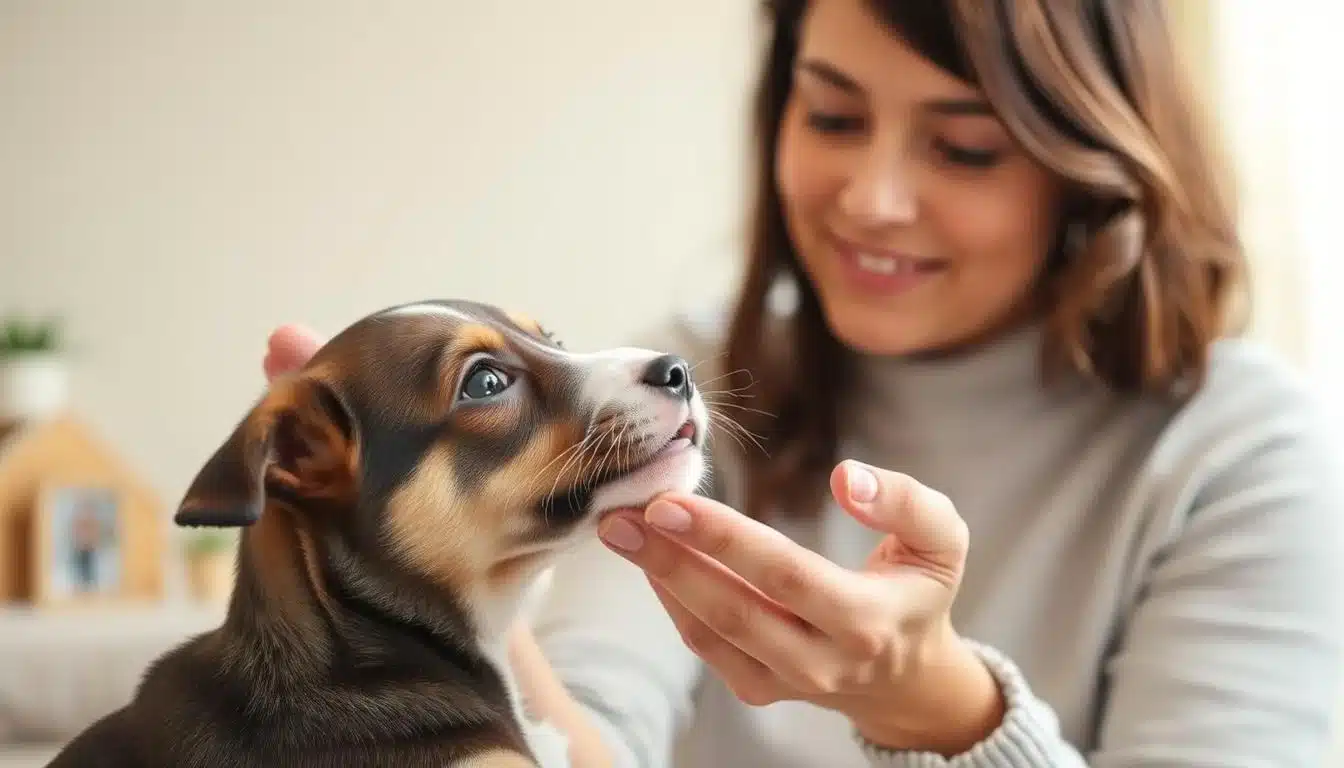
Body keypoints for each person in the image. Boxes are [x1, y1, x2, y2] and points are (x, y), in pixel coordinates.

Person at [262, 0, 1344, 765]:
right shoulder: (682, 396)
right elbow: (589, 737)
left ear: (1091, 168)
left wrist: (946, 715)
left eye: (965, 148)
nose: (871, 199)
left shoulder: (1240, 452)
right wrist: (425, 589)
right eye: (832, 118)